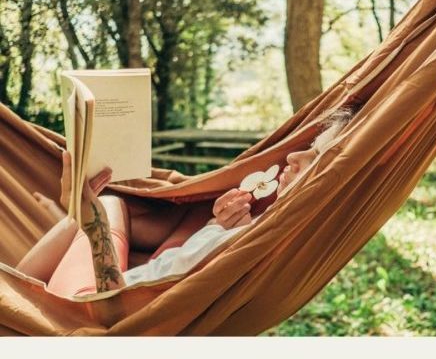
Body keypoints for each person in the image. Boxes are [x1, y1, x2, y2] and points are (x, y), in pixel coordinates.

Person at [16, 107, 354, 296]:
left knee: (105, 207)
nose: (293, 155)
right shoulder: (261, 225)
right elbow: (196, 256)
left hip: (92, 302)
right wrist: (217, 224)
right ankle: (69, 222)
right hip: (138, 274)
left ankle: (12, 293)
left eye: (315, 157)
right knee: (115, 204)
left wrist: (92, 225)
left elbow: (109, 311)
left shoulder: (267, 246)